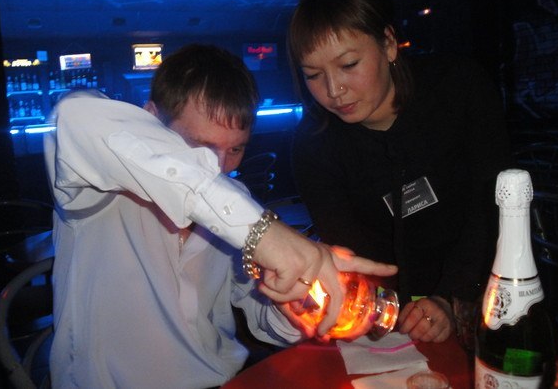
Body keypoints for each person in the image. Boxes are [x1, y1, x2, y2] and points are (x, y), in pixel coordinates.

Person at [44, 44, 396, 388]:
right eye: (200, 147)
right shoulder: (97, 192)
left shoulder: (238, 203)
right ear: (151, 118)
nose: (218, 167)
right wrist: (263, 234)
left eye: (235, 149)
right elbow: (73, 115)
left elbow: (262, 317)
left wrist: (293, 305)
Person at [287, 0, 513, 343]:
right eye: (313, 75)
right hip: (389, 313)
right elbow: (350, 249)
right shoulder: (315, 144)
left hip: (487, 287)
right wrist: (390, 310)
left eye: (348, 65)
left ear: (389, 44)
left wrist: (451, 297)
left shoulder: (459, 88)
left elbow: (492, 205)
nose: (333, 90)